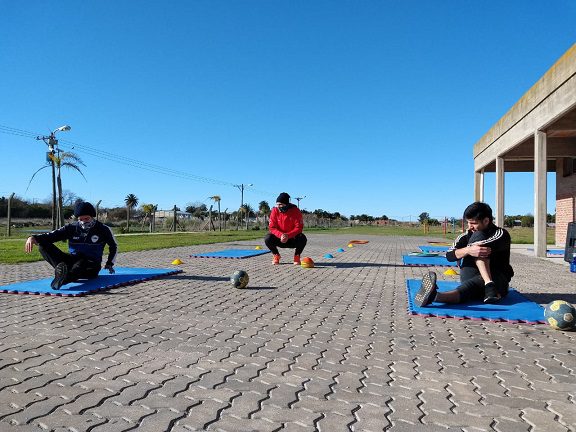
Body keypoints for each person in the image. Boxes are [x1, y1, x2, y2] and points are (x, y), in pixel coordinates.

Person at [414, 201, 514, 307]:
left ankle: (437, 296)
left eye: (473, 223)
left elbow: (478, 247)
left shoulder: (501, 234)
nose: (469, 227)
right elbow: (449, 255)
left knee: (477, 239)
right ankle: (435, 296)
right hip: (471, 276)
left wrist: (464, 251)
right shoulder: (465, 236)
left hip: (498, 280)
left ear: (486, 221)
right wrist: (467, 250)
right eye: (468, 223)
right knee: (472, 282)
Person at [24, 201, 118, 290]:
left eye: (86, 219)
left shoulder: (103, 229)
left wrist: (110, 263)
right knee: (43, 245)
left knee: (82, 263)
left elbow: (114, 246)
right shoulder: (71, 228)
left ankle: (62, 278)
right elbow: (52, 235)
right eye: (81, 219)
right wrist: (33, 238)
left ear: (92, 216)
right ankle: (62, 271)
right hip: (72, 260)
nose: (84, 222)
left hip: (91, 265)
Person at [265, 192, 307, 265]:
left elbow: (299, 227)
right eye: (277, 204)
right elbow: (272, 227)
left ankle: (297, 256)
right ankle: (276, 255)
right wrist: (281, 235)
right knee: (268, 238)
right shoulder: (274, 211)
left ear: (286, 204)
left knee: (302, 238)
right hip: (279, 238)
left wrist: (288, 235)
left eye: (281, 204)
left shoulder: (296, 211)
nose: (279, 206)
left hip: (292, 239)